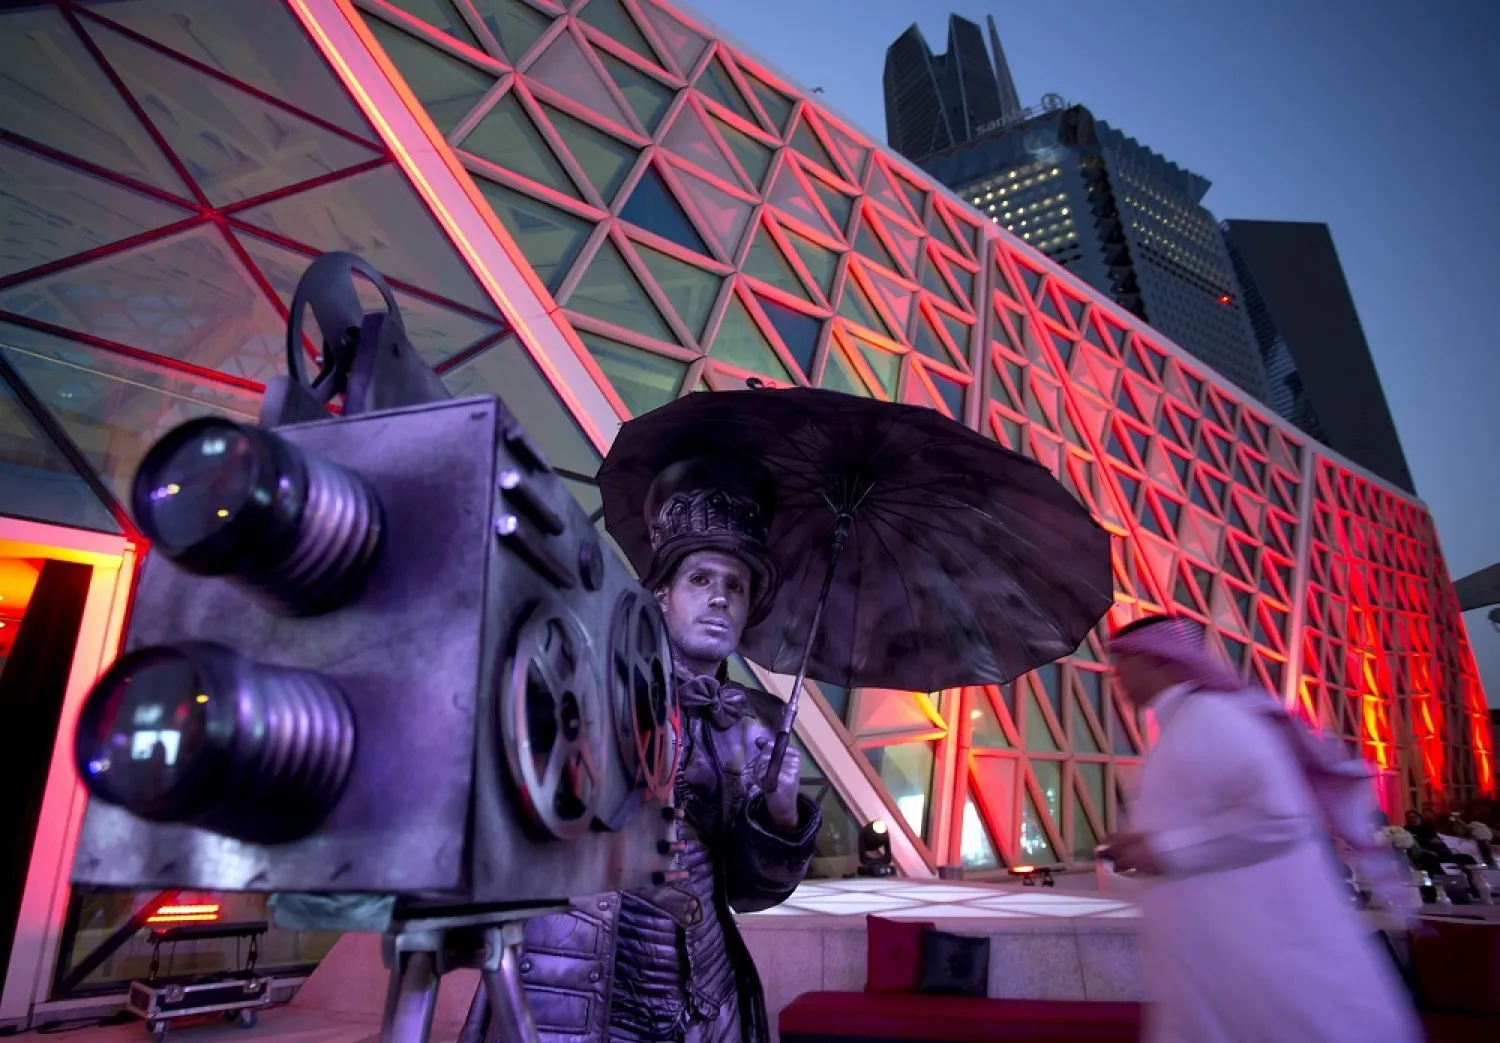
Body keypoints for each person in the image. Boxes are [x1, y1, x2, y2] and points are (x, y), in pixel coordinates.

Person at [460, 457, 821, 1043]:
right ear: (661, 595)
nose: (720, 600)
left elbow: (750, 893)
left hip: (703, 1004)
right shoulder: (583, 675)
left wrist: (779, 815)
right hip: (571, 985)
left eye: (736, 586)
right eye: (701, 580)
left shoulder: (755, 726)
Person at [1099, 614, 1420, 1043]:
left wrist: (1167, 850)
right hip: (1214, 959)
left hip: (1267, 959)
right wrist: (1149, 846)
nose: (1115, 674)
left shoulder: (1215, 719)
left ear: (1159, 660)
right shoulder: (1185, 724)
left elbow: (1282, 818)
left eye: (1125, 661)